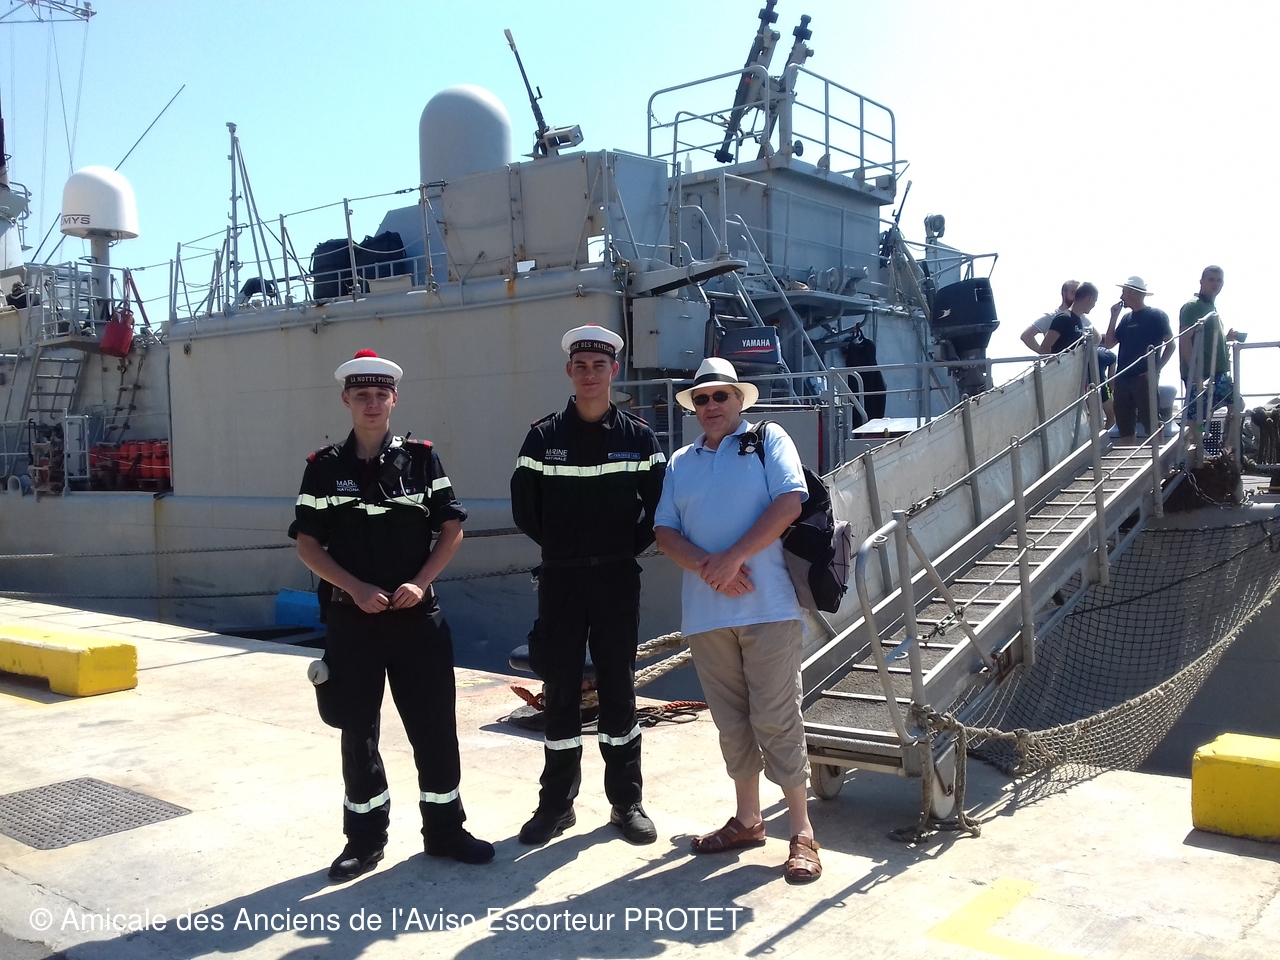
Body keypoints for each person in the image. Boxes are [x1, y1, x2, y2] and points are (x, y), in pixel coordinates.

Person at [291, 349, 493, 882]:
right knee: (357, 733)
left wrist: (420, 582)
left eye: (381, 395)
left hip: (417, 621)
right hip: (352, 623)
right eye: (362, 395)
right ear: (346, 400)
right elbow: (308, 544)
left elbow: (451, 529)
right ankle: (363, 841)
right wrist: (354, 588)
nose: (372, 403)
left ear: (394, 399)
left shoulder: (423, 460)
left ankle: (445, 831)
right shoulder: (322, 468)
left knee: (435, 728)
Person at [653, 357, 821, 885]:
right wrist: (714, 568)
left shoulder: (768, 440)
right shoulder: (680, 461)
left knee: (776, 717)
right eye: (701, 399)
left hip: (768, 607)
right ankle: (748, 820)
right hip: (707, 613)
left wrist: (733, 559)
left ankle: (802, 832)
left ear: (739, 399)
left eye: (720, 396)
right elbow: (665, 532)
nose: (710, 406)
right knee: (731, 721)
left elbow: (790, 503)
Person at [510, 324, 666, 846]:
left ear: (613, 370)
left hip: (617, 577)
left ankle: (627, 802)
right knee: (561, 691)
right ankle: (556, 804)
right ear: (569, 371)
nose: (590, 374)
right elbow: (525, 509)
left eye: (599, 366)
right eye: (581, 366)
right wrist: (564, 549)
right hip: (561, 578)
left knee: (619, 687)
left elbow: (658, 508)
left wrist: (621, 549)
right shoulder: (542, 437)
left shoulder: (638, 438)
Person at [1104, 276, 1174, 445]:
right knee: (1125, 424)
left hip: (1143, 377)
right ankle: (1128, 455)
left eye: (1124, 292)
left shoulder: (1156, 315)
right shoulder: (1126, 318)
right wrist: (1113, 316)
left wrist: (1155, 369)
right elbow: (1109, 343)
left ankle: (1158, 456)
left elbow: (1171, 345)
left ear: (1133, 293)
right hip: (1123, 378)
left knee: (1152, 420)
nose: (1121, 296)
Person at [1179, 265, 1238, 435]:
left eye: (1219, 280)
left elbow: (1206, 338)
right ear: (1201, 281)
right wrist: (1194, 371)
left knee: (1236, 404)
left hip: (1218, 371)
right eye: (1211, 279)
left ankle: (1227, 442)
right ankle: (1197, 443)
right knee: (1197, 415)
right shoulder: (1193, 306)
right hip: (1202, 372)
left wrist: (1226, 338)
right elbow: (1185, 339)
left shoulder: (1211, 307)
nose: (1215, 284)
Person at [1020, 280, 1080, 354]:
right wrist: (1045, 354)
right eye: (1073, 292)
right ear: (1064, 293)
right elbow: (1026, 335)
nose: (1076, 297)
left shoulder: (1084, 320)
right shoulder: (1051, 317)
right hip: (1059, 360)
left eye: (1079, 294)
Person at [1041, 281, 1098, 355]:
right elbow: (1044, 348)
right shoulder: (1063, 318)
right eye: (1095, 301)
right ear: (1090, 298)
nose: (1093, 305)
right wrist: (1056, 361)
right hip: (1062, 362)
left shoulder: (1078, 321)